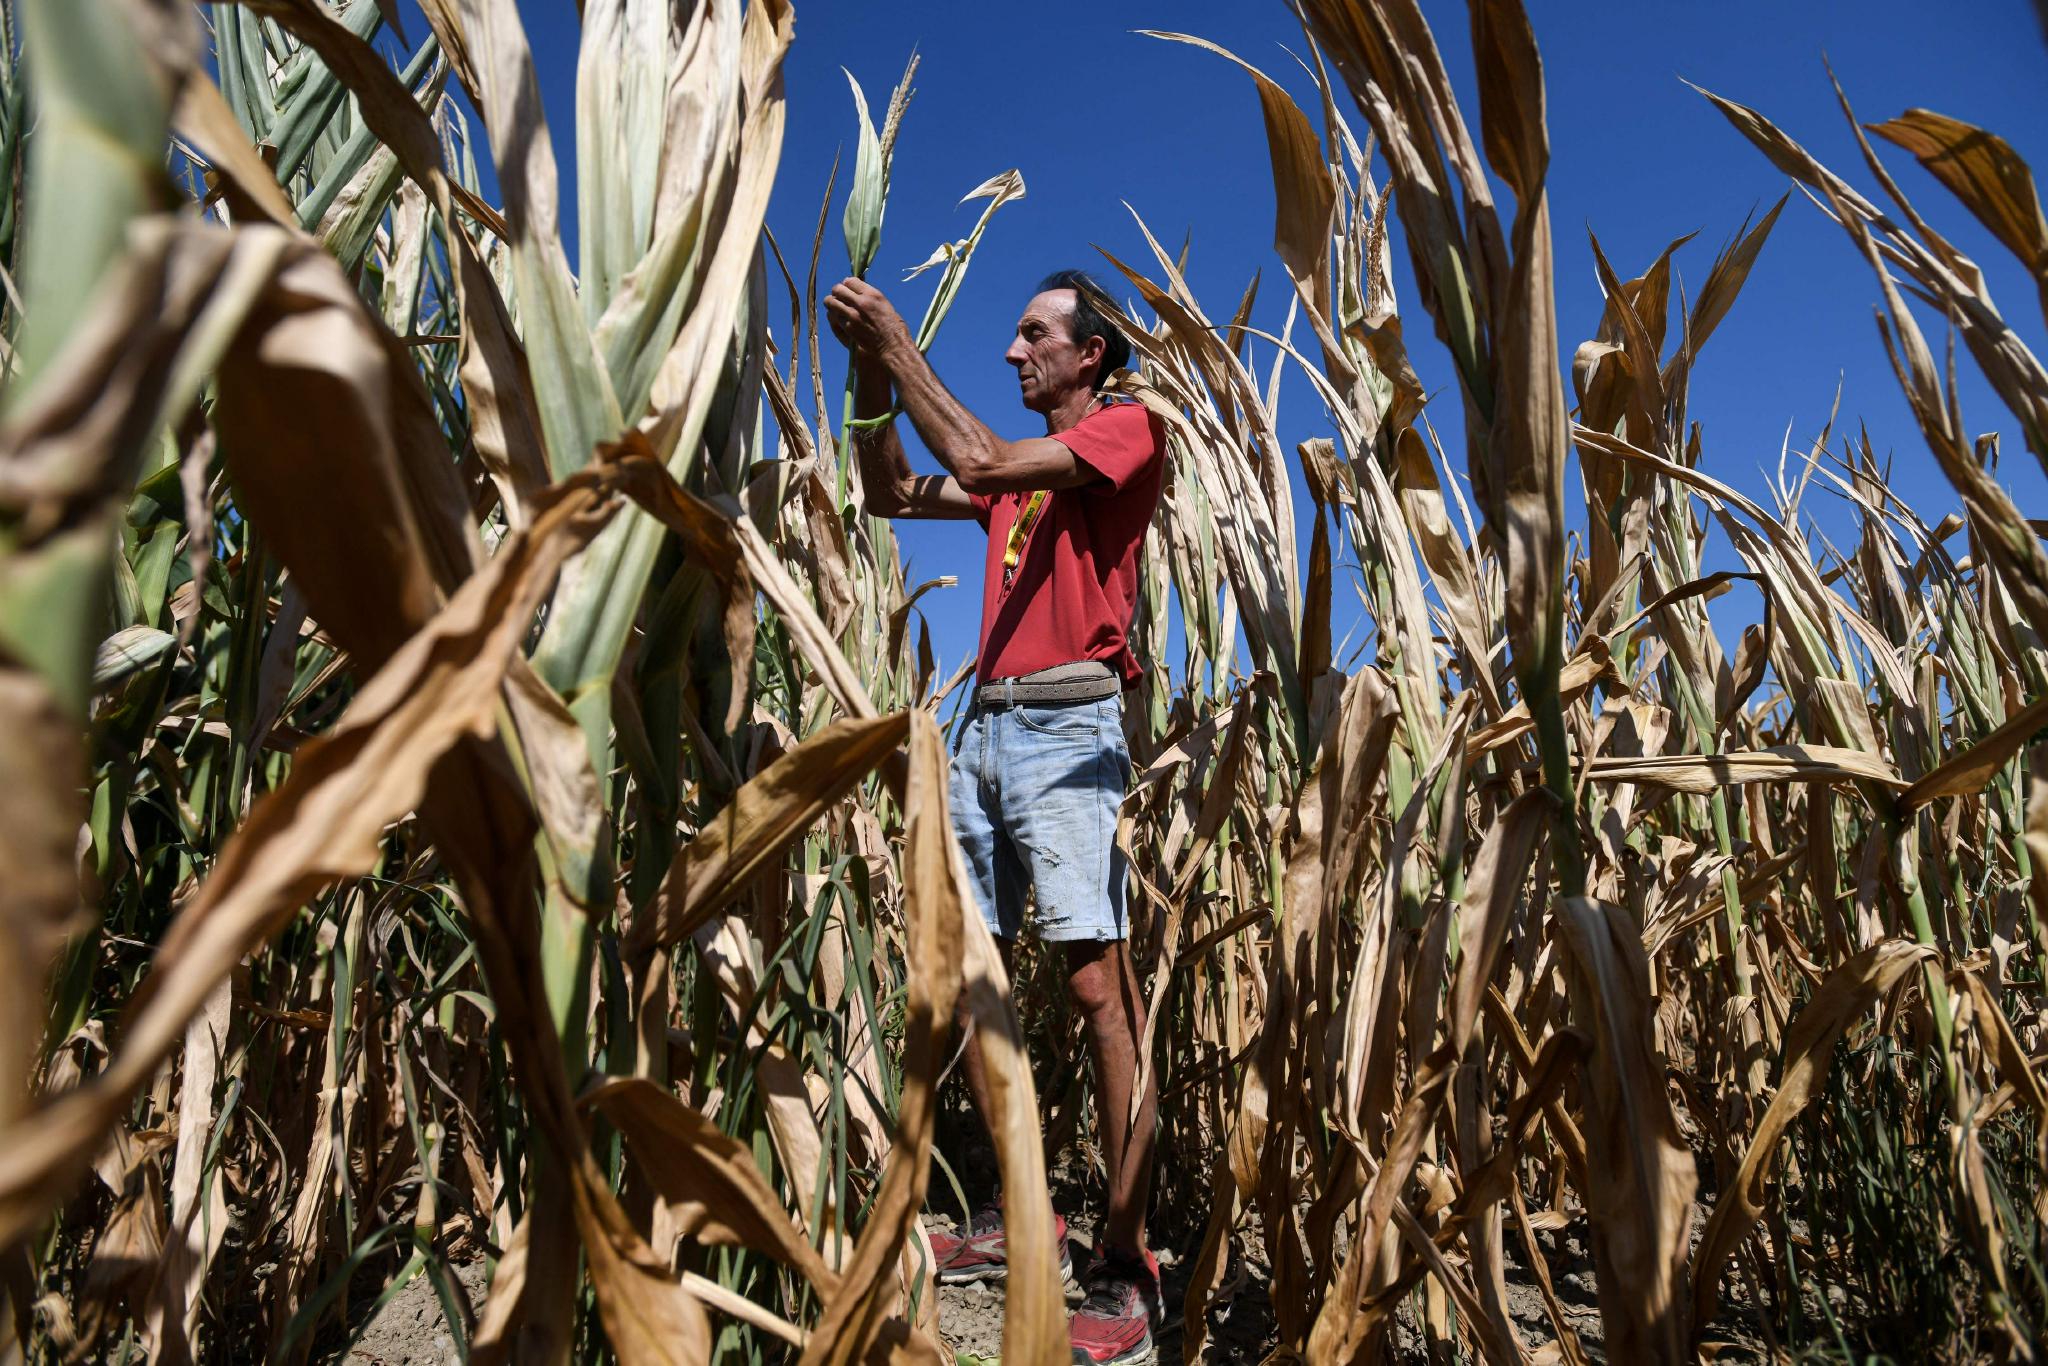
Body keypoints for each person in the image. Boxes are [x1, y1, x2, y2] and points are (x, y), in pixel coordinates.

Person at [825, 269, 1165, 1366]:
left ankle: (1127, 1262)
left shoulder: (1123, 431)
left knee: (1092, 986)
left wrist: (897, 337)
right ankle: (1013, 1212)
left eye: (1033, 336)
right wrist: (869, 372)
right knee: (970, 976)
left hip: (1070, 725)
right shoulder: (1009, 488)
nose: (1014, 352)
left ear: (1090, 354)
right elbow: (888, 491)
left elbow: (974, 457)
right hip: (984, 727)